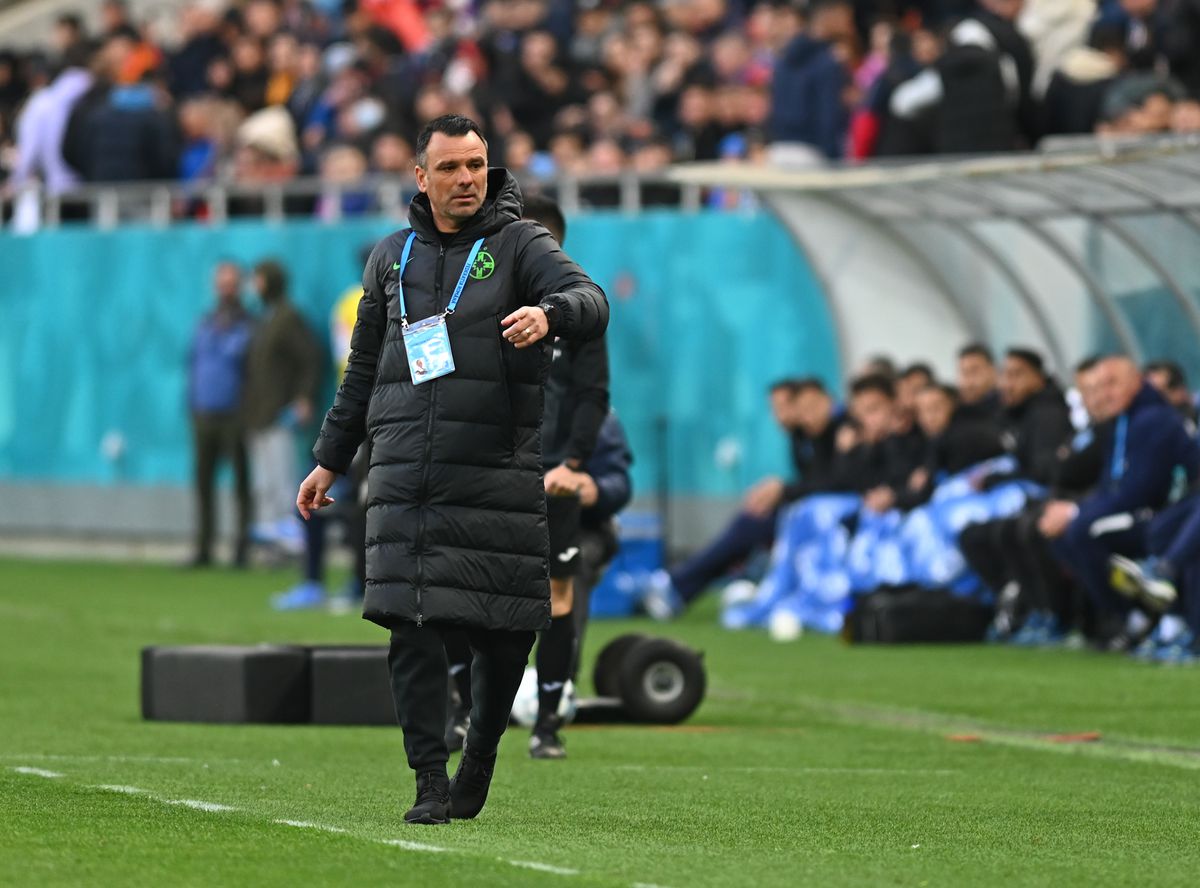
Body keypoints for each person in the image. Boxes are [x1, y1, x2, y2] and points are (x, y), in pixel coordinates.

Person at [296, 114, 608, 825]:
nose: (467, 179)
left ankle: (481, 761)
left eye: (476, 165)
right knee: (411, 628)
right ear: (421, 176)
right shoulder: (390, 257)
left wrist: (551, 314)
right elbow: (364, 369)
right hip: (404, 471)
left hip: (494, 472)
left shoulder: (522, 242)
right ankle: (429, 780)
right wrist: (329, 460)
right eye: (451, 168)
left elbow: (594, 302)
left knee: (503, 635)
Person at [641, 378, 846, 619]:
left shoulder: (841, 431)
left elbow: (833, 483)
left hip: (822, 518)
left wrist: (783, 490)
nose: (778, 416)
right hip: (803, 513)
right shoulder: (802, 437)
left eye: (783, 407)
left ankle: (674, 585)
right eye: (774, 409)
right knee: (749, 520)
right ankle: (676, 587)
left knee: (750, 525)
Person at [1040, 356, 1200, 650]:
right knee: (1062, 532)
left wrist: (1076, 511)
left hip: (1157, 512)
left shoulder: (1154, 420)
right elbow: (1108, 485)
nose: (1104, 394)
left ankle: (1143, 613)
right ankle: (1131, 615)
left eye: (1111, 384)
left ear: (1136, 381)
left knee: (1083, 531)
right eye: (1098, 387)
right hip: (1159, 516)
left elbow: (1139, 491)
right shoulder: (1122, 422)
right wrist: (1071, 509)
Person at [242, 259, 320, 554]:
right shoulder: (265, 318)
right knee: (264, 483)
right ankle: (270, 543)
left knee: (284, 481)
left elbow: (310, 358)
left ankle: (292, 544)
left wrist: (303, 398)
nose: (255, 286)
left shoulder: (289, 317)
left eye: (258, 280)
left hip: (279, 413)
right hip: (258, 414)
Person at [186, 261, 255, 568]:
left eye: (230, 283)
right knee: (203, 484)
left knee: (241, 483)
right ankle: (204, 547)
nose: (225, 289)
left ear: (238, 286)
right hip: (203, 413)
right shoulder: (206, 322)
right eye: (221, 283)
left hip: (234, 414)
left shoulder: (249, 324)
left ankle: (242, 548)